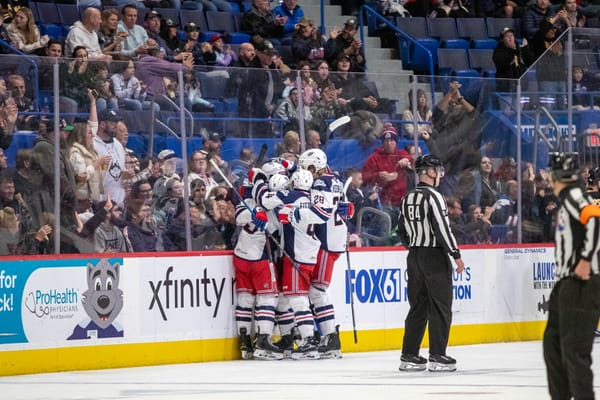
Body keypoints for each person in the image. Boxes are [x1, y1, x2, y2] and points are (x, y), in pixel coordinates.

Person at [397, 154, 465, 372]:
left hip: (414, 256)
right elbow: (442, 229)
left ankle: (409, 355)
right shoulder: (435, 197)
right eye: (438, 170)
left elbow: (401, 230)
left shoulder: (407, 197)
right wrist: (455, 254)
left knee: (418, 306)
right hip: (434, 256)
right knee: (441, 306)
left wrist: (415, 248)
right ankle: (437, 355)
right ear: (430, 172)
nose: (440, 175)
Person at [543, 152, 600, 400]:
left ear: (555, 176)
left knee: (574, 351)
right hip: (566, 283)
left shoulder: (575, 196)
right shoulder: (568, 197)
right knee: (553, 345)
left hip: (580, 284)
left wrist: (586, 259)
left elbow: (595, 219)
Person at [362, 124, 412, 228]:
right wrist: (378, 176)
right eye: (386, 141)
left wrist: (406, 160)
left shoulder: (401, 153)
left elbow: (411, 160)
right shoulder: (373, 158)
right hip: (383, 203)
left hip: (402, 202)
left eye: (392, 141)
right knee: (384, 226)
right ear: (382, 143)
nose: (389, 143)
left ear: (396, 142)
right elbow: (364, 177)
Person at [493, 27, 534, 94]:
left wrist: (526, 49)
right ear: (502, 40)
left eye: (511, 35)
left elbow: (530, 63)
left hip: (521, 87)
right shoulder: (498, 52)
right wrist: (513, 50)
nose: (510, 38)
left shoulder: (520, 49)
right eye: (507, 36)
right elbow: (504, 65)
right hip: (506, 89)